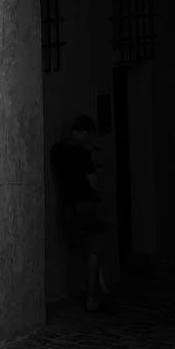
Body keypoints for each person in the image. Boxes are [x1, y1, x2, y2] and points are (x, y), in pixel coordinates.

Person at [51, 115, 111, 311]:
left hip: (68, 204)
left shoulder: (56, 150)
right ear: (80, 132)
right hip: (86, 204)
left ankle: (96, 287)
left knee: (78, 249)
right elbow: (93, 182)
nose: (87, 138)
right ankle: (92, 298)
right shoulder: (82, 153)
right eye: (86, 134)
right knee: (92, 250)